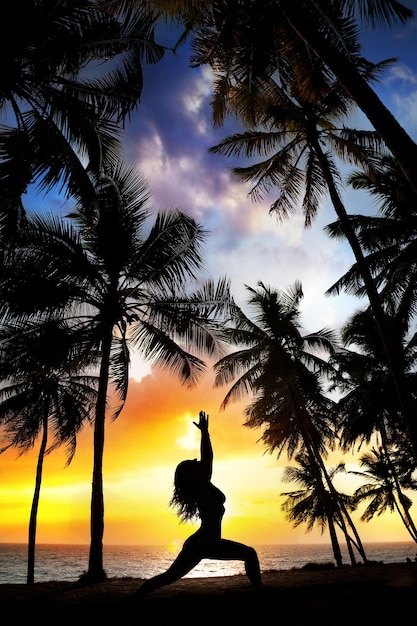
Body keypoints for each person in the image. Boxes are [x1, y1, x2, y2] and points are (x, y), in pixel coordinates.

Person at [129, 410, 262, 599]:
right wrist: (204, 434)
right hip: (202, 543)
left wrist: (205, 433)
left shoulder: (204, 485)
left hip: (208, 542)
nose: (198, 461)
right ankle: (133, 599)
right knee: (169, 577)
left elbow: (208, 459)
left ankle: (259, 592)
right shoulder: (201, 486)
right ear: (193, 474)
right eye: (194, 462)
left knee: (249, 554)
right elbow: (208, 458)